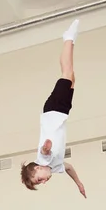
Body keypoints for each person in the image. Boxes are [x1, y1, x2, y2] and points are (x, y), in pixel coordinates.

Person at [20, 19, 86, 198]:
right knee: (71, 77)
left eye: (38, 179)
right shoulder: (55, 167)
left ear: (38, 168)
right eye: (40, 183)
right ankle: (69, 41)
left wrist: (47, 147)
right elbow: (69, 168)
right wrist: (78, 183)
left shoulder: (45, 159)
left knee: (67, 72)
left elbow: (44, 151)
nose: (44, 182)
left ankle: (68, 38)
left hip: (53, 111)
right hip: (61, 113)